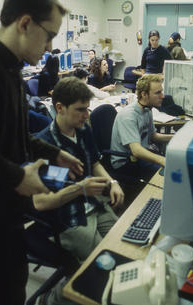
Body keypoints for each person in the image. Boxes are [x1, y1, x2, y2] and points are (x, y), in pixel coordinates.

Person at [0, 0, 84, 305]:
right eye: (50, 35)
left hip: (8, 217)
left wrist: (55, 153)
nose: (52, 45)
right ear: (25, 23)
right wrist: (17, 177)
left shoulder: (12, 71)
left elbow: (11, 138)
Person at [36, 77, 124, 305]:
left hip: (93, 204)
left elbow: (94, 163)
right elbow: (42, 203)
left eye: (87, 109)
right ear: (59, 108)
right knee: (102, 264)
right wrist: (79, 189)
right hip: (67, 216)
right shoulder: (43, 146)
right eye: (81, 110)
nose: (87, 115)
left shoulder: (82, 130)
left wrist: (112, 182)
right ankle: (51, 300)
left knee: (122, 247)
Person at [111, 74, 173, 181]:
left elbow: (153, 136)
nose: (162, 96)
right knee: (170, 175)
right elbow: (136, 151)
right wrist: (162, 160)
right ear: (144, 94)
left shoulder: (147, 109)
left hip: (139, 157)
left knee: (172, 168)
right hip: (126, 162)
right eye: (158, 93)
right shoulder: (129, 116)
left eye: (161, 92)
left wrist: (175, 137)